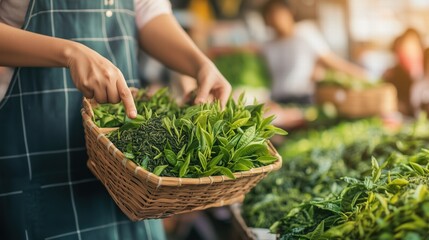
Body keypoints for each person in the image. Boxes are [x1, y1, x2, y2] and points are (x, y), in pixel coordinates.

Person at [0, 0, 231, 239]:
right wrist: (69, 52)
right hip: (39, 153)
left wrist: (199, 64)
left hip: (131, 175)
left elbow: (148, 10)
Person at [261, 0, 367, 105]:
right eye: (269, 15)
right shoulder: (268, 45)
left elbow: (331, 61)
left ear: (290, 12)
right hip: (277, 100)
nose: (274, 18)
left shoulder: (305, 33)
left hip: (303, 98)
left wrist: (363, 75)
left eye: (277, 13)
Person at [383, 28, 425, 116]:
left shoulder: (425, 73)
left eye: (413, 48)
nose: (409, 53)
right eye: (405, 49)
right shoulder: (392, 75)